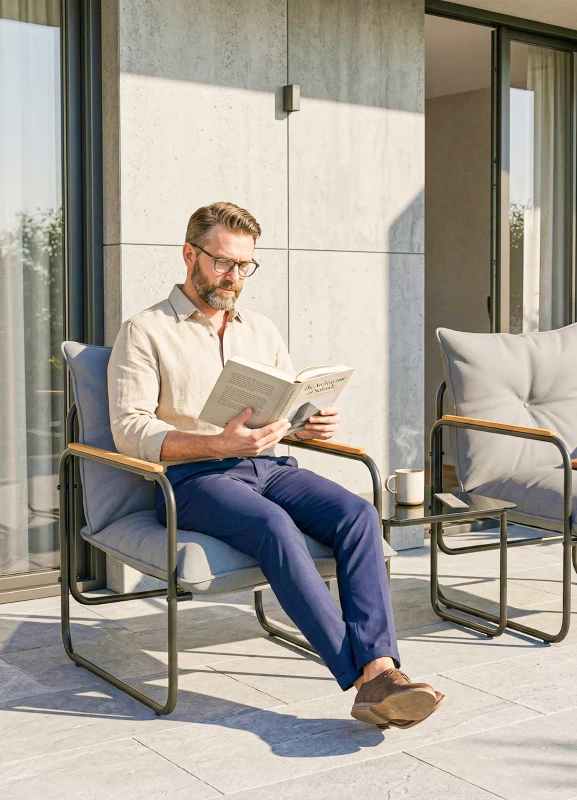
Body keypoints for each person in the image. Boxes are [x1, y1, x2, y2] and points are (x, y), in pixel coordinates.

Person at [108, 201, 444, 730]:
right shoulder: (146, 330)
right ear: (189, 254)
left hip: (270, 466)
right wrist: (215, 445)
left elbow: (283, 406)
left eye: (245, 266)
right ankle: (367, 679)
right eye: (222, 262)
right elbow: (130, 430)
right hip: (194, 479)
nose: (234, 277)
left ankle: (382, 667)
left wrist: (306, 423)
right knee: (274, 527)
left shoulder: (259, 330)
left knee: (357, 512)